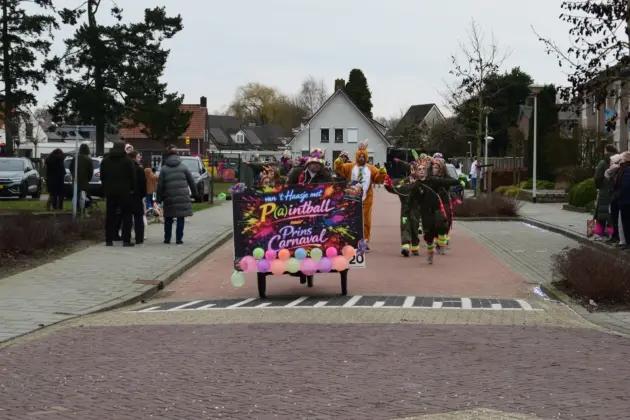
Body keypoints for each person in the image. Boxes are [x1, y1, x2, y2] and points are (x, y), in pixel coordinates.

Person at [334, 140, 388, 249]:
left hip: (366, 199)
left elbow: (378, 179)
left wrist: (382, 173)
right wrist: (338, 163)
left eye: (363, 156)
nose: (362, 158)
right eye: (360, 156)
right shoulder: (350, 166)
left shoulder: (371, 168)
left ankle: (365, 240)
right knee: (351, 218)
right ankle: (352, 239)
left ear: (366, 157)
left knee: (366, 221)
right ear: (357, 156)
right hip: (351, 197)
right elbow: (340, 169)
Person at [409, 160, 465, 264]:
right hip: (425, 213)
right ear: (416, 172)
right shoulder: (415, 186)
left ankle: (441, 245)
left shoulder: (432, 180)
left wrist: (458, 181)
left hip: (436, 209)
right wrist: (407, 213)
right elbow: (410, 201)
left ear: (426, 171)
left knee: (442, 224)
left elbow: (445, 182)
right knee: (428, 236)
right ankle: (430, 253)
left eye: (423, 169)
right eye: (419, 169)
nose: (421, 171)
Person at [156, 145, 198, 245]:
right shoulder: (183, 167)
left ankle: (167, 238)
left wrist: (159, 198)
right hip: (182, 196)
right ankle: (179, 239)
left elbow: (160, 185)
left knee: (168, 217)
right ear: (177, 155)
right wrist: (195, 194)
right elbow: (191, 182)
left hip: (169, 196)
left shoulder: (164, 169)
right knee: (180, 217)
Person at [100, 141, 136, 247]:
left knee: (110, 216)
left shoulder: (106, 160)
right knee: (126, 216)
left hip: (110, 192)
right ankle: (126, 240)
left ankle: (109, 239)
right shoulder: (128, 160)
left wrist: (106, 187)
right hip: (124, 192)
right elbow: (132, 176)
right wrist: (132, 189)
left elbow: (102, 176)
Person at [384, 172, 421, 257]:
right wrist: (387, 185)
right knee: (405, 228)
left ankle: (415, 248)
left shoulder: (420, 188)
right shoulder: (404, 188)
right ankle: (405, 247)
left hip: (416, 213)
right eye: (411, 178)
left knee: (414, 229)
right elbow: (393, 189)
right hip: (405, 212)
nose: (412, 180)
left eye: (414, 179)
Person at [594, 145, 618, 240]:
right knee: (612, 214)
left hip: (604, 191)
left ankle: (598, 233)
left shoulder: (603, 163)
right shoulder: (619, 162)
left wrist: (599, 187)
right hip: (615, 192)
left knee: (601, 214)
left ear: (607, 151)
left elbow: (597, 178)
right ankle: (611, 233)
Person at [69, 143, 94, 214]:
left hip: (76, 180)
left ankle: (76, 210)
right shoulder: (88, 159)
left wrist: (74, 175)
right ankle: (82, 211)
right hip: (84, 181)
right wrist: (88, 178)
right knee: (83, 197)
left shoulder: (75, 158)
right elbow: (91, 171)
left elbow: (70, 168)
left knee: (76, 196)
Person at [129, 151, 147, 244]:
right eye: (138, 157)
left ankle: (126, 237)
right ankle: (139, 238)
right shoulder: (139, 169)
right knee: (138, 218)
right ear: (133, 158)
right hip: (137, 196)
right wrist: (142, 195)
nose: (139, 159)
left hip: (127, 196)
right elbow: (143, 184)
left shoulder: (126, 168)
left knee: (127, 217)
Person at [616, 151, 630, 250]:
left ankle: (628, 243)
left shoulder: (627, 171)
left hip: (626, 202)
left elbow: (625, 186)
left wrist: (618, 193)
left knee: (626, 223)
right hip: (625, 201)